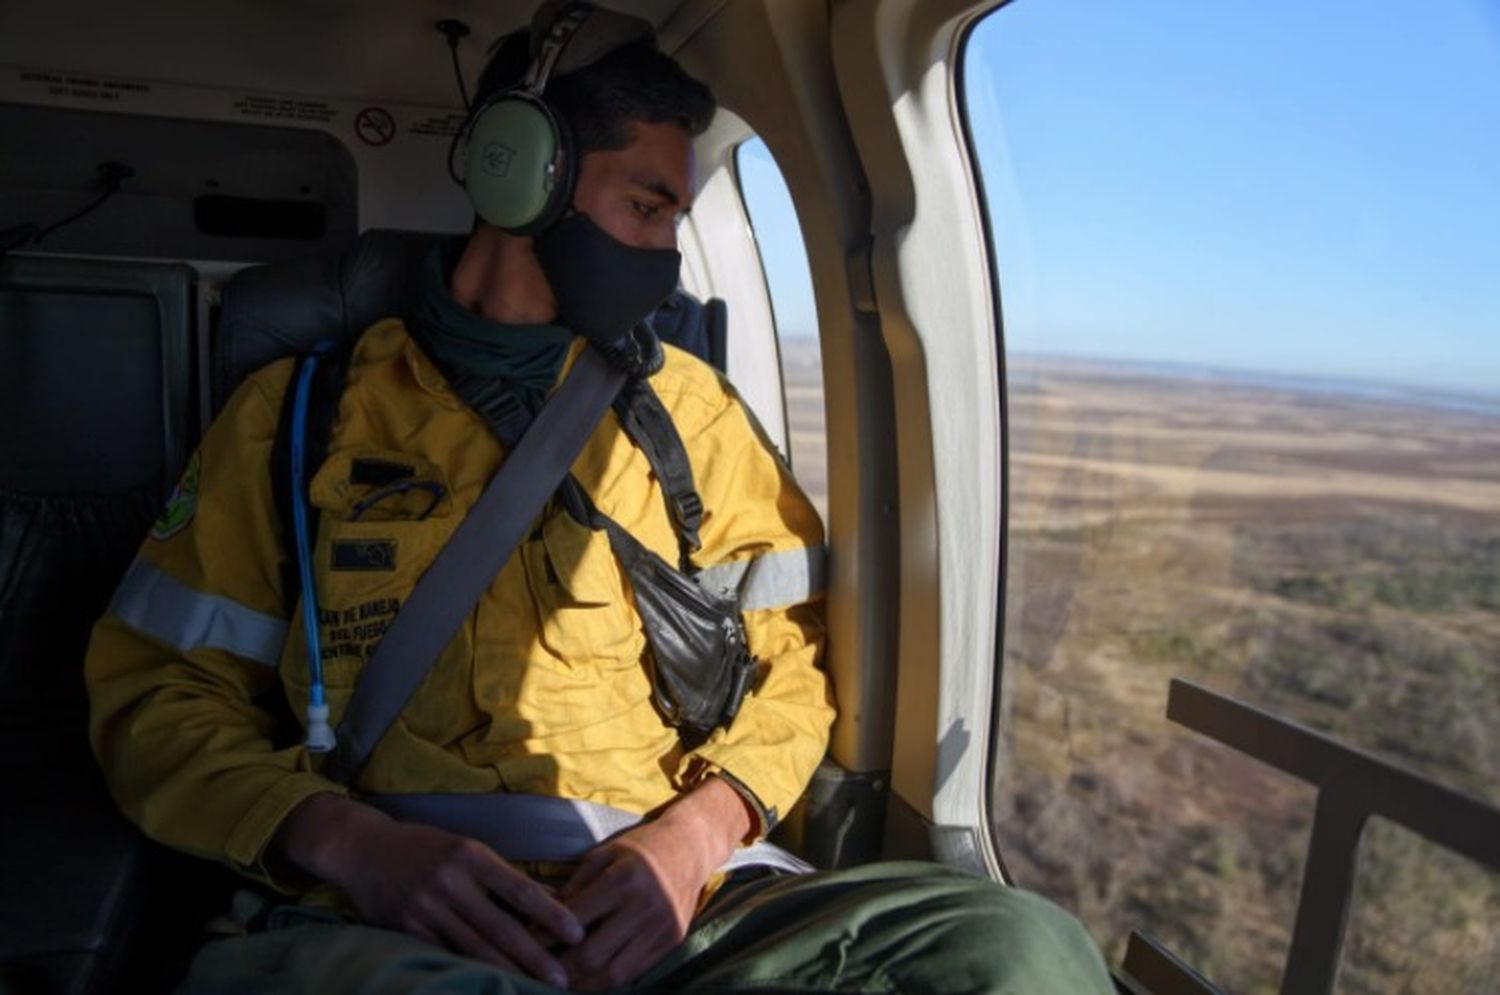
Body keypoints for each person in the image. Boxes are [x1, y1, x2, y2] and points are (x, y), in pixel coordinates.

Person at [84, 3, 1115, 992]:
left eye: (676, 216)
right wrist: (353, 842)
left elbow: (792, 660)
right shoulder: (300, 413)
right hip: (376, 910)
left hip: (677, 903)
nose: (665, 252)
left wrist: (696, 834)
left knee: (1016, 951)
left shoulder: (695, 416)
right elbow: (157, 699)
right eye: (646, 206)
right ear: (520, 179)